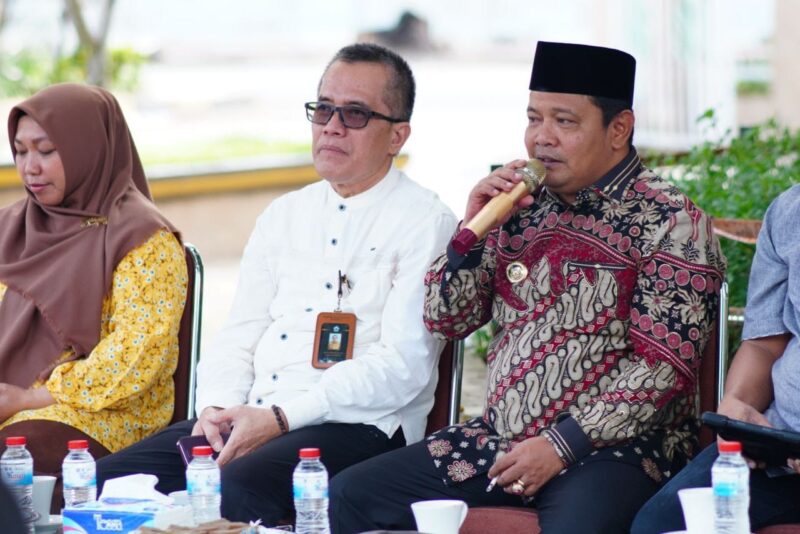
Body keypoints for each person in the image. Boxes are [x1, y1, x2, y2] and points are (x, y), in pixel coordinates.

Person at [330, 41, 726, 534]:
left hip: (619, 449)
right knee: (351, 495)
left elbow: (662, 370)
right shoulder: (520, 205)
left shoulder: (671, 221)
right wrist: (472, 232)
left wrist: (561, 445)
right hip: (499, 441)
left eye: (564, 121)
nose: (542, 138)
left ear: (619, 129)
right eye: (534, 118)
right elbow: (446, 319)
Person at [95, 42, 457, 525]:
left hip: (358, 425)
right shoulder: (284, 214)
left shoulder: (426, 221)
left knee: (235, 488)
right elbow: (239, 334)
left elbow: (402, 366)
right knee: (106, 483)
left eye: (354, 114)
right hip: (251, 415)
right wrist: (216, 408)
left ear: (397, 135)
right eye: (323, 109)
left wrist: (282, 418)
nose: (331, 126)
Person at [0, 84, 187, 487]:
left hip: (106, 412)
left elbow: (137, 357)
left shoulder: (143, 239)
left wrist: (29, 397)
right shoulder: (9, 228)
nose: (30, 167)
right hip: (10, 399)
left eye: (46, 151)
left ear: (89, 148)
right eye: (20, 151)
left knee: (14, 456)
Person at [631, 185, 800, 533]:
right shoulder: (790, 210)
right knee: (661, 523)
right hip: (782, 443)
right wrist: (737, 404)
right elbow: (766, 345)